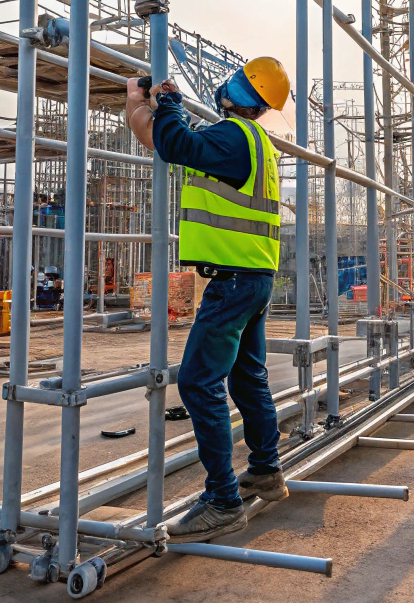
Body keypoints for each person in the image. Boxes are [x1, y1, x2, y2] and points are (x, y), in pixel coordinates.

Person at [126, 57, 291, 543]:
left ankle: (222, 500)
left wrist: (169, 104)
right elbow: (170, 139)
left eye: (239, 79)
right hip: (254, 276)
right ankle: (265, 469)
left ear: (244, 92)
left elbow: (173, 143)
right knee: (247, 377)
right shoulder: (253, 142)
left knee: (199, 382)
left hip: (234, 282)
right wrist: (144, 107)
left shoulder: (234, 137)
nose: (229, 82)